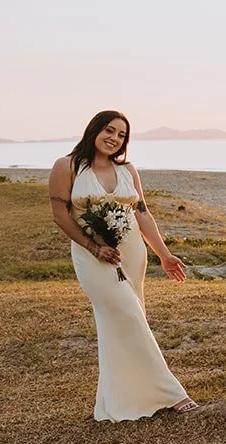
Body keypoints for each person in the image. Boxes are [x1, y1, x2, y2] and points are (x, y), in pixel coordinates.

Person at [47, 110, 199, 420]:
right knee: (128, 315)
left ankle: (121, 398)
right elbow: (61, 215)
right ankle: (171, 393)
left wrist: (164, 254)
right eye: (109, 130)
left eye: (121, 135)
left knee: (125, 321)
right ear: (94, 130)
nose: (114, 138)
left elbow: (142, 214)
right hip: (92, 256)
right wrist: (94, 246)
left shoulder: (128, 170)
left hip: (132, 253)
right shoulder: (67, 166)